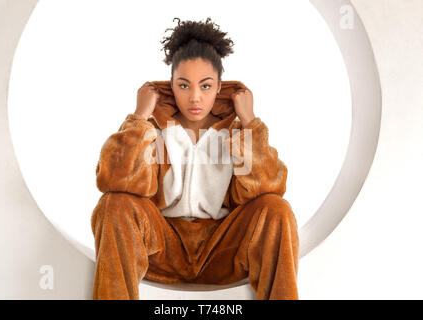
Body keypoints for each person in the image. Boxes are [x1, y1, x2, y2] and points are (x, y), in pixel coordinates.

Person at [91, 17, 299, 300]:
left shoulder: (235, 134)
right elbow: (113, 179)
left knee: (277, 209)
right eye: (184, 85)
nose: (195, 98)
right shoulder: (154, 131)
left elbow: (268, 188)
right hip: (162, 251)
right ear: (171, 85)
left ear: (219, 87)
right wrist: (139, 117)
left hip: (223, 252)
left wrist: (250, 122)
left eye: (205, 85)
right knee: (114, 203)